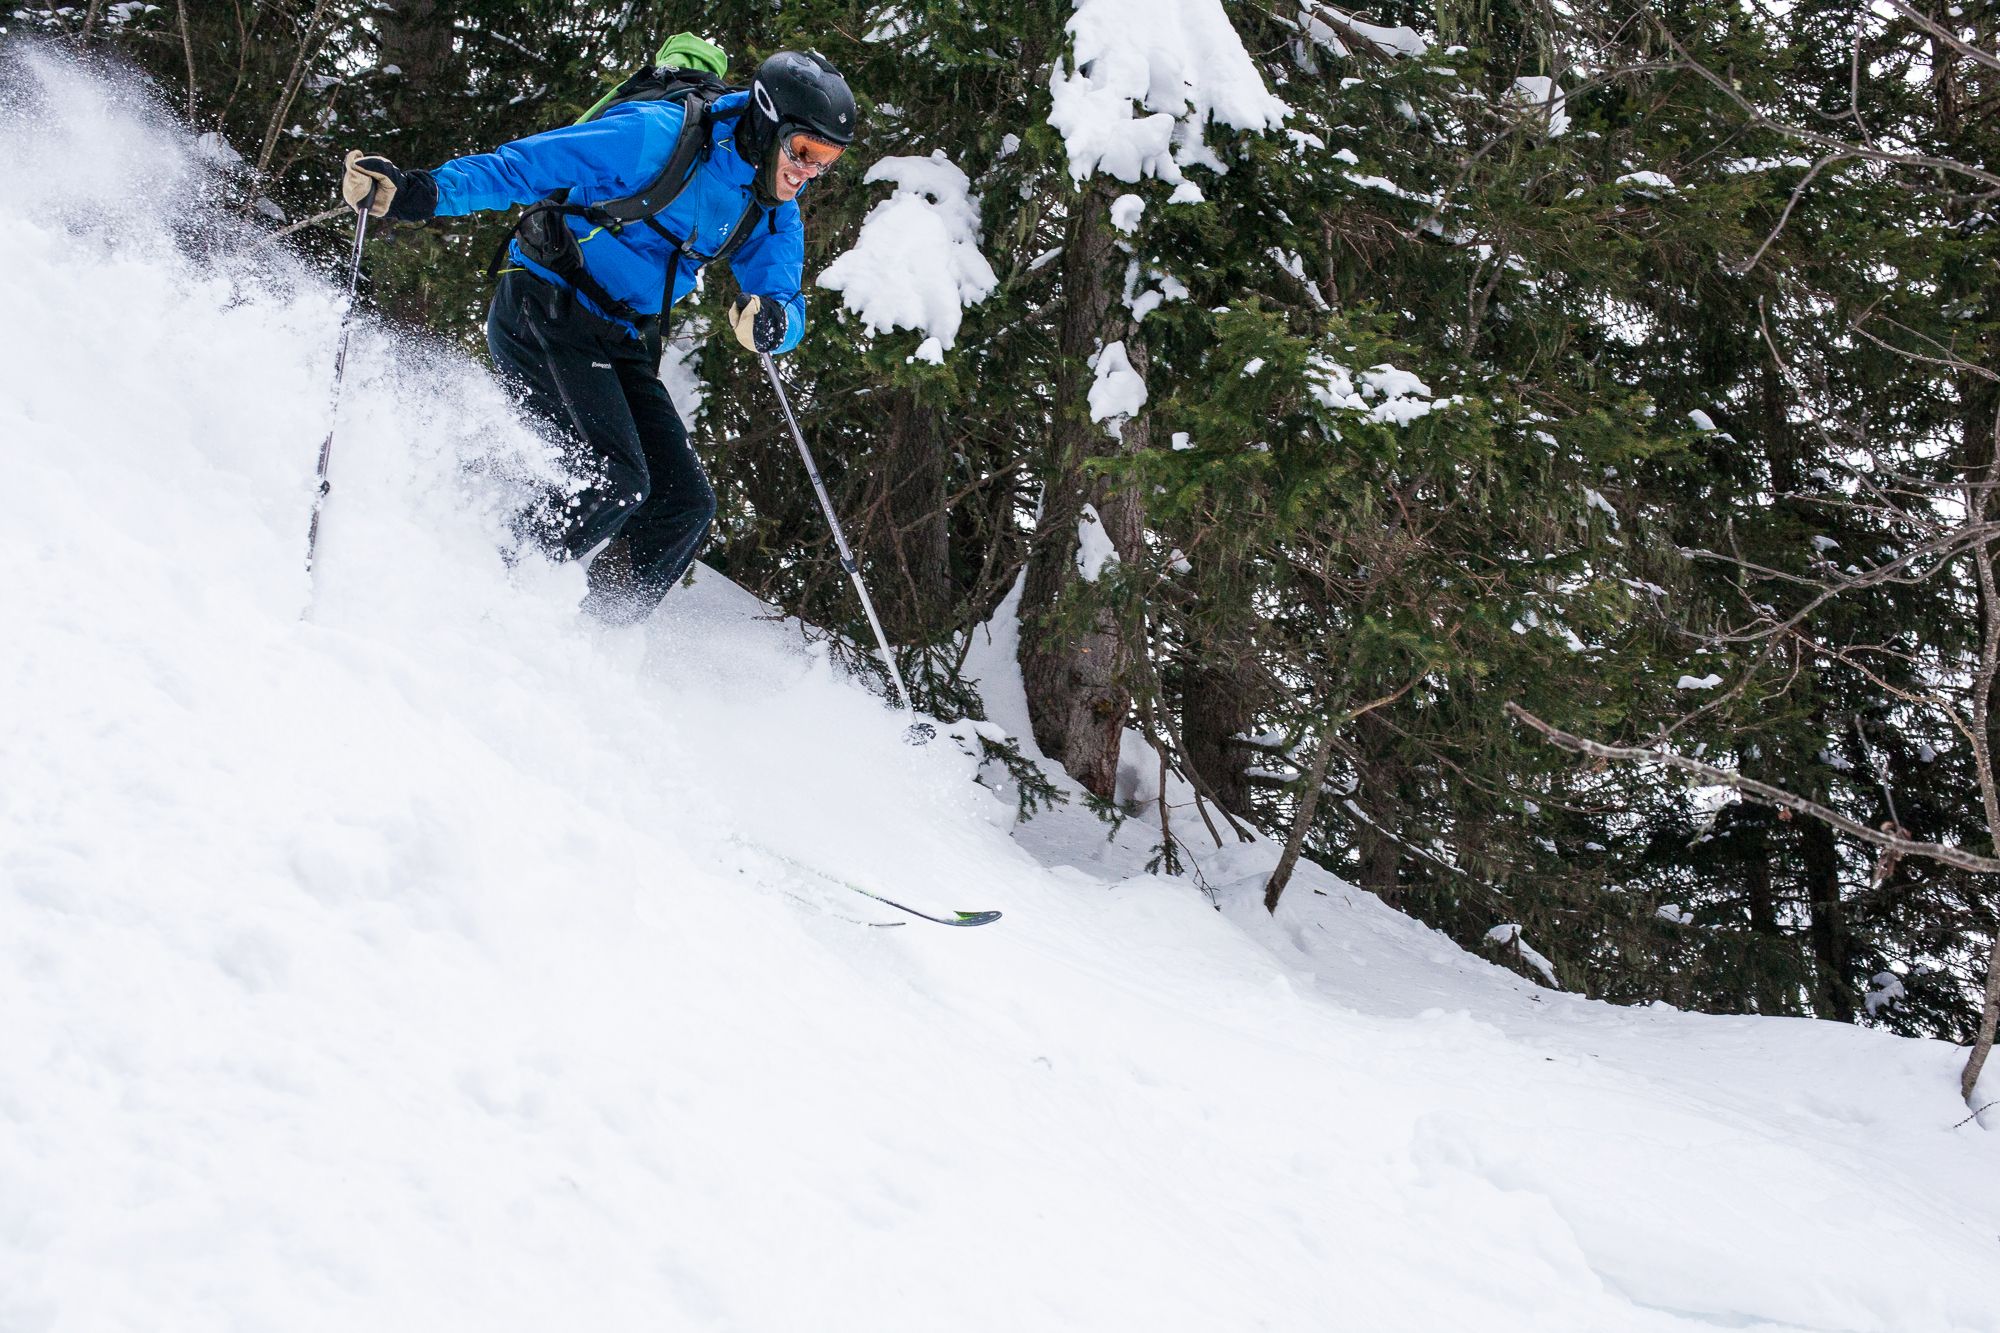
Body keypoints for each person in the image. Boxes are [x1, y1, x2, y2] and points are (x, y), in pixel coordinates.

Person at [339, 44, 855, 619]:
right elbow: (524, 166)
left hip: (619, 334)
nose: (809, 171)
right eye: (804, 150)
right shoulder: (657, 136)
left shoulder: (773, 208)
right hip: (545, 303)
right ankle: (489, 594)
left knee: (684, 504)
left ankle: (601, 633)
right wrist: (420, 191)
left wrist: (776, 323)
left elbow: (783, 296)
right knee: (615, 478)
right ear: (764, 121)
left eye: (827, 158)